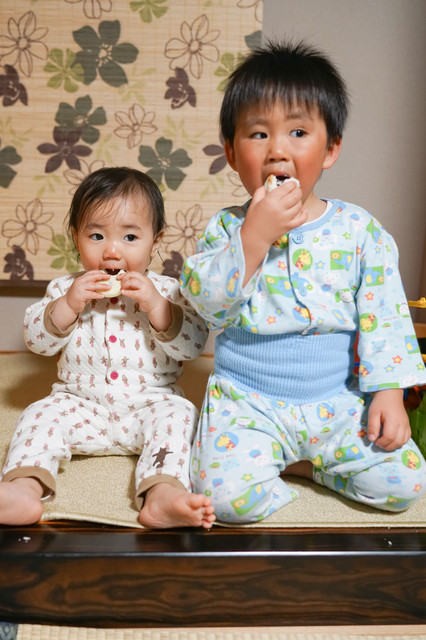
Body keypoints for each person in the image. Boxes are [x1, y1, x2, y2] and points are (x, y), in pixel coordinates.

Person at [180, 41, 426, 523]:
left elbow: (386, 316)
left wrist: (389, 393)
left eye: (297, 132)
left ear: (330, 149)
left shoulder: (360, 231)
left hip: (338, 401)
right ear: (231, 152)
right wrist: (254, 237)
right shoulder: (227, 229)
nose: (277, 150)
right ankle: (276, 462)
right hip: (248, 402)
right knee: (223, 500)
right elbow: (205, 306)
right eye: (257, 134)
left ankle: (309, 468)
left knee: (406, 483)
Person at [0, 167, 215, 529]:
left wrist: (157, 306)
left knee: (182, 417)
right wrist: (69, 304)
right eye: (97, 235)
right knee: (38, 415)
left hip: (150, 404)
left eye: (130, 236)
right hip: (79, 404)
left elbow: (192, 346)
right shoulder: (65, 288)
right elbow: (37, 341)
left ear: (155, 241)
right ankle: (22, 489)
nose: (112, 251)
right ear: (76, 237)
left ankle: (162, 495)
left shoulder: (167, 290)